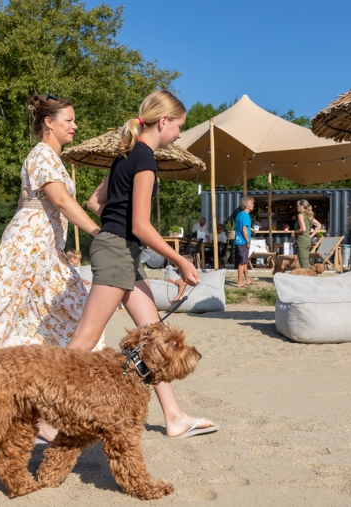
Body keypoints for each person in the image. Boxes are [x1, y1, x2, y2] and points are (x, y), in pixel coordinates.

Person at [0, 94, 103, 442]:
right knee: (15, 315)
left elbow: (26, 202)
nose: (75, 125)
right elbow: (61, 200)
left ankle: (35, 407)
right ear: (49, 123)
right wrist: (96, 231)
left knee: (63, 310)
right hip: (30, 246)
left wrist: (56, 243)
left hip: (43, 246)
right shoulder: (43, 155)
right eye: (69, 120)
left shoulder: (48, 158)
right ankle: (2, 398)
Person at [66, 90, 217, 439]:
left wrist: (113, 223)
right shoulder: (145, 159)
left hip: (120, 251)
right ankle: (42, 417)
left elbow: (94, 201)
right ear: (163, 122)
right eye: (179, 127)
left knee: (154, 335)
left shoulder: (123, 154)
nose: (179, 134)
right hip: (118, 251)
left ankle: (174, 416)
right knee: (83, 342)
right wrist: (179, 260)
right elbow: (141, 227)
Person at [291, 199, 322, 268]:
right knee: (305, 261)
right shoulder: (309, 215)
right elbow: (319, 225)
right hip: (307, 241)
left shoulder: (300, 215)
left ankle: (306, 277)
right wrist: (311, 236)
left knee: (303, 263)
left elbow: (303, 229)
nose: (296, 208)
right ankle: (307, 276)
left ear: (302, 206)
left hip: (301, 241)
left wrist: (295, 232)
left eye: (297, 206)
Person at [234, 196, 255, 287]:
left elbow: (242, 226)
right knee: (242, 263)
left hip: (239, 240)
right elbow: (244, 229)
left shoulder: (240, 214)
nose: (253, 205)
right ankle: (239, 282)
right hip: (243, 241)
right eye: (251, 203)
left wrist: (251, 229)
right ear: (246, 205)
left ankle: (247, 280)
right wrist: (248, 241)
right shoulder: (246, 215)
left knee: (245, 261)